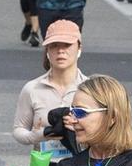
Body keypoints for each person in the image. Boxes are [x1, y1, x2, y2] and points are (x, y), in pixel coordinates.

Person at [12, 20, 85, 152]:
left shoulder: (90, 88)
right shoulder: (32, 88)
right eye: (54, 45)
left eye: (67, 45)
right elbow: (18, 129)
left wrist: (81, 129)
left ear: (79, 49)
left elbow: (105, 131)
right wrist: (37, 135)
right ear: (47, 51)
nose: (60, 51)